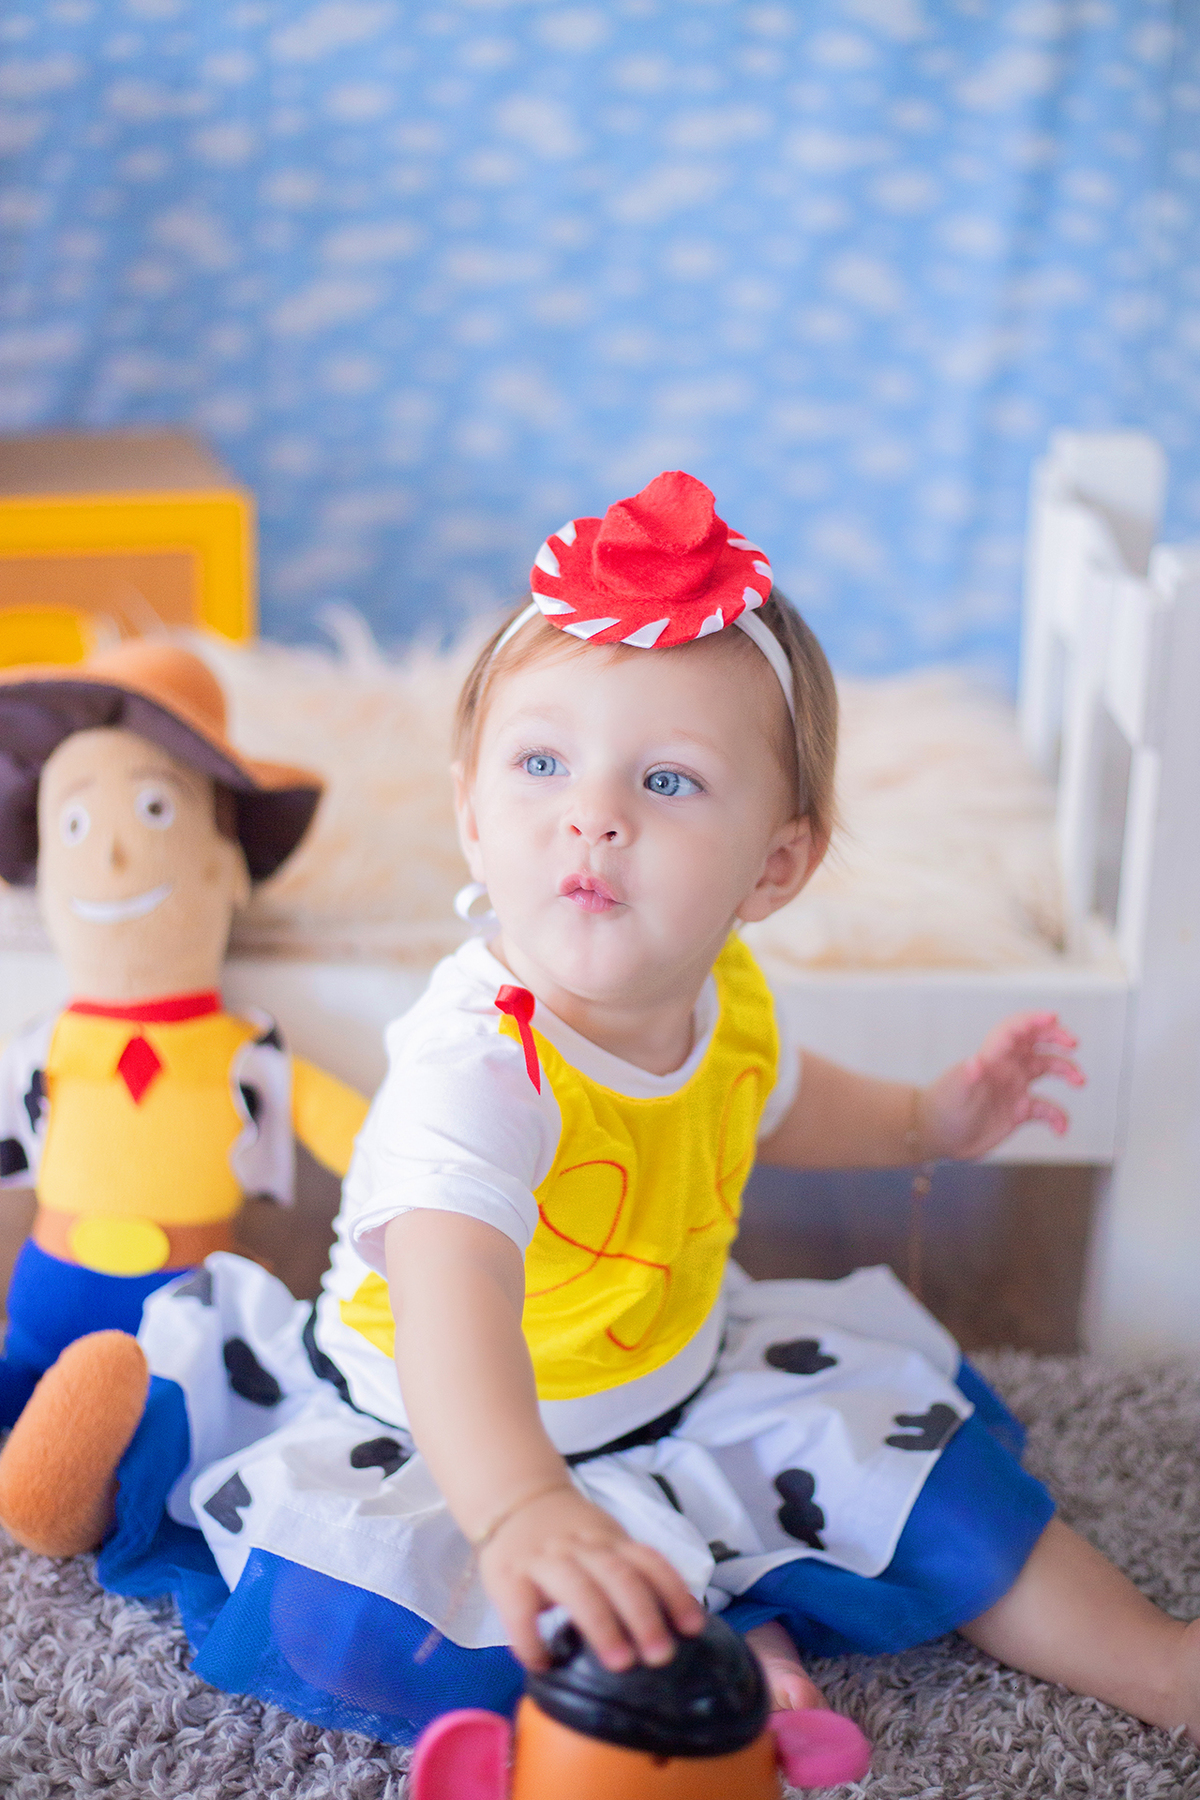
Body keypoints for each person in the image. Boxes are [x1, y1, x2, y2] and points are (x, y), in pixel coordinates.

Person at [2, 475, 1197, 1750]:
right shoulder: (482, 1062)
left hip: (677, 1380)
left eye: (669, 780)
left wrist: (930, 1121)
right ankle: (714, 1628)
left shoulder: (727, 991)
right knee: (391, 1619)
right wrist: (520, 1508)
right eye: (542, 763)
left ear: (775, 866)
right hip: (449, 1428)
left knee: (949, 1499)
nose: (594, 814)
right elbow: (453, 1297)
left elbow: (777, 1101)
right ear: (473, 815)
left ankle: (1161, 1667)